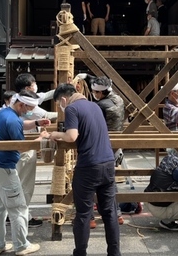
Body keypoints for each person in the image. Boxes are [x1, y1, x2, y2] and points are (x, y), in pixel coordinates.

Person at [49, 84, 120, 256]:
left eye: (59, 103)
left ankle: (80, 253)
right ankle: (114, 252)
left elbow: (72, 136)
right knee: (109, 211)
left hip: (89, 165)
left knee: (83, 213)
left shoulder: (71, 109)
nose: (61, 106)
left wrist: (55, 135)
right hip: (108, 163)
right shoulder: (95, 106)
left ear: (64, 99)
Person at [0, 90, 50, 256]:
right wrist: (41, 138)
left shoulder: (5, 112)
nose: (30, 112)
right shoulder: (12, 119)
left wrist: (36, 123)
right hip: (3, 168)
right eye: (29, 109)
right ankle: (21, 246)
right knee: (18, 207)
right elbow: (21, 147)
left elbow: (20, 124)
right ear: (21, 104)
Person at [14, 73, 57, 228]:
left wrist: (63, 87)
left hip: (21, 149)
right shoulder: (24, 105)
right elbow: (44, 114)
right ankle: (23, 218)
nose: (31, 109)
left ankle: (16, 216)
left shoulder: (20, 100)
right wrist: (67, 112)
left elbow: (45, 96)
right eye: (34, 83)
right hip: (25, 149)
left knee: (17, 185)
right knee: (25, 186)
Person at [90, 76, 126, 228]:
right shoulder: (119, 100)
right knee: (109, 181)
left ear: (99, 93)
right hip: (116, 147)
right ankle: (116, 214)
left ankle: (89, 217)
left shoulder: (99, 106)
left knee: (90, 181)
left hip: (100, 147)